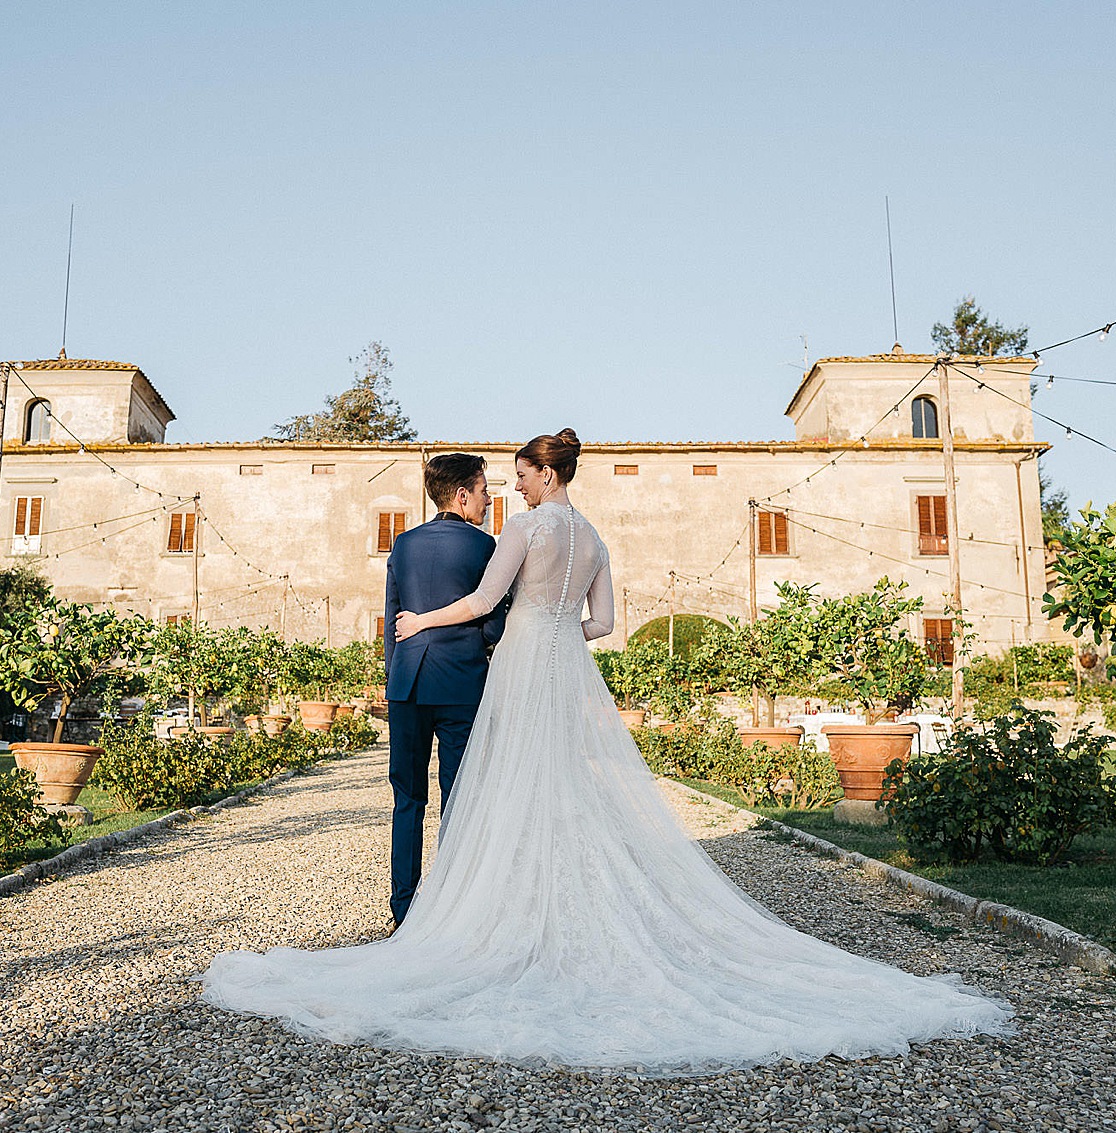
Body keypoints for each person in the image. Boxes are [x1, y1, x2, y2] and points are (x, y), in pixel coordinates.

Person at [200, 428, 1011, 1075]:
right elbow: (603, 625)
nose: (511, 485)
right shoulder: (593, 539)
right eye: (504, 479)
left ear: (544, 477)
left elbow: (486, 600)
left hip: (512, 662)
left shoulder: (520, 527)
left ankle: (468, 909)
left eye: (519, 474)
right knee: (551, 788)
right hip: (562, 661)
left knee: (496, 789)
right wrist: (550, 630)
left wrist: (423, 624)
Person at [381, 452, 508, 929]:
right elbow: (493, 620)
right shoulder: (485, 547)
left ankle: (404, 911)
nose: (488, 499)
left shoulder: (403, 544)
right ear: (462, 495)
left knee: (407, 799)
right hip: (461, 685)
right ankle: (452, 912)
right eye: (483, 490)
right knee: (459, 798)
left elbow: (393, 619)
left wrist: (397, 676)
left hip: (407, 686)